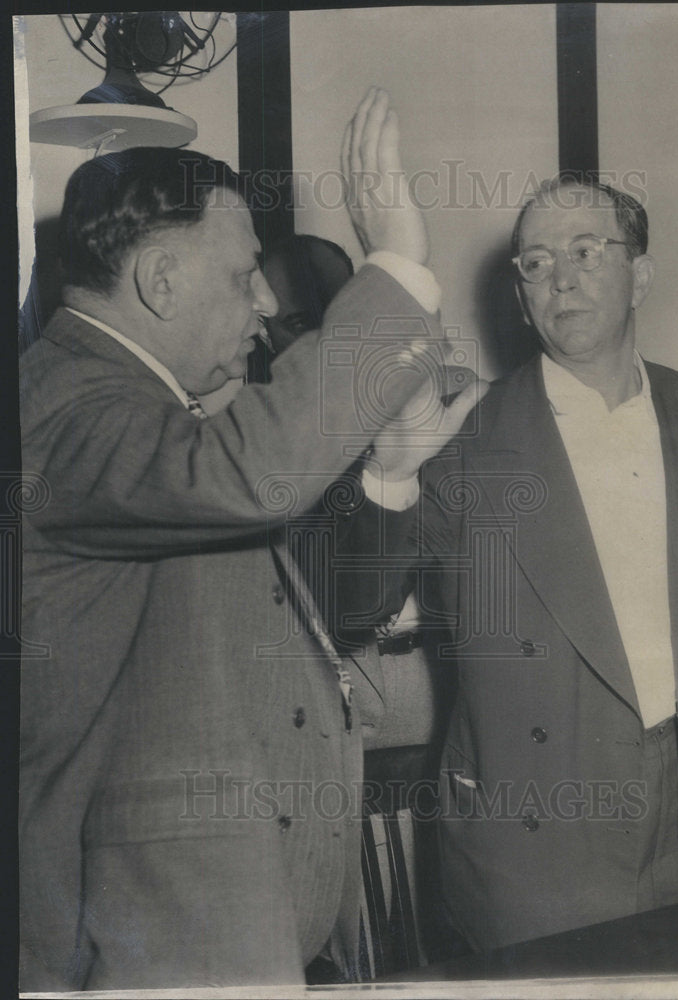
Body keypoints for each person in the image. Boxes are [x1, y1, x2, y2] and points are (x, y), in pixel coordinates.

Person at [18, 88, 483, 990]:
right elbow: (244, 474)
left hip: (227, 920)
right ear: (160, 279)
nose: (267, 300)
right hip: (142, 941)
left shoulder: (149, 419)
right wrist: (395, 266)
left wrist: (390, 469)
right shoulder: (64, 409)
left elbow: (318, 617)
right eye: (242, 275)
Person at [334, 174, 678, 952]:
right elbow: (349, 607)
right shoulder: (461, 434)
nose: (561, 278)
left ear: (640, 274)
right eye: (536, 264)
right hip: (537, 839)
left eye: (586, 250)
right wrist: (392, 476)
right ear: (520, 298)